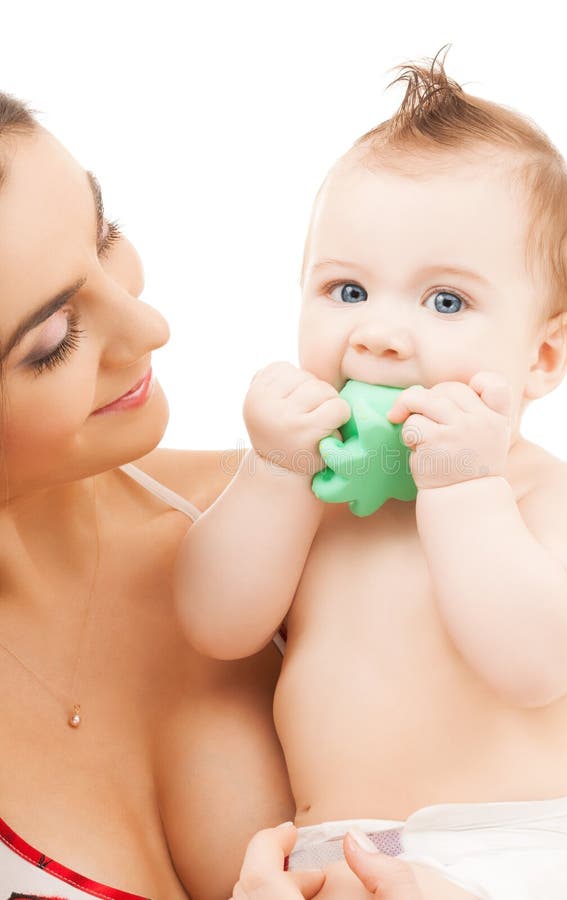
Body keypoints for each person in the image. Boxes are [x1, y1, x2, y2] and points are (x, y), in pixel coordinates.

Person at [174, 53, 567, 899]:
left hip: (495, 859)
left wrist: (464, 489)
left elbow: (533, 665)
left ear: (542, 354)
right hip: (321, 858)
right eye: (346, 290)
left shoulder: (560, 498)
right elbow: (213, 625)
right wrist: (274, 472)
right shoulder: (316, 503)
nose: (379, 334)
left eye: (445, 301)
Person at [0, 92, 425, 900]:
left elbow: (526, 826)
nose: (148, 327)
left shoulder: (313, 517)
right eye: (51, 342)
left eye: (105, 235)